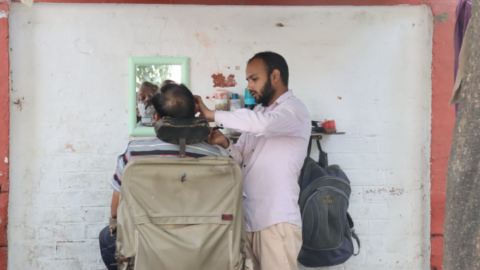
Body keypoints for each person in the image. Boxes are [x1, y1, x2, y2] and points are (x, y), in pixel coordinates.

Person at [195, 51, 311, 270]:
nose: (249, 86)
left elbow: (264, 125)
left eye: (254, 78)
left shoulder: (294, 110)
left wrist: (212, 114)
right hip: (250, 219)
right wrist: (224, 143)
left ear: (275, 76)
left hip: (277, 221)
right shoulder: (259, 111)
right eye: (248, 79)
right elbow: (242, 158)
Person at [99, 83, 228, 270]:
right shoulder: (218, 155)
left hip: (147, 244)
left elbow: (115, 211)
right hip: (203, 245)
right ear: (195, 113)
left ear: (157, 118)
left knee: (106, 237)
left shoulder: (133, 153)